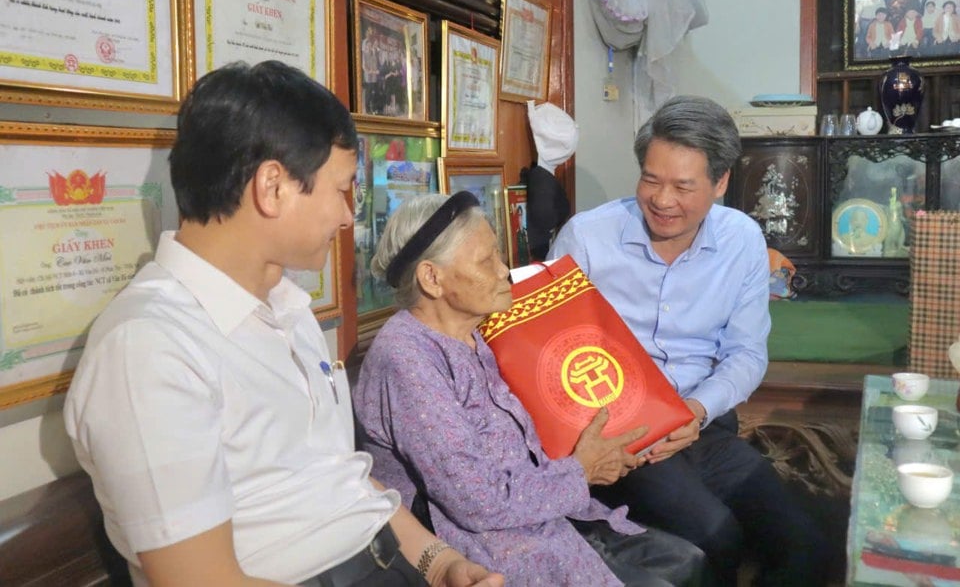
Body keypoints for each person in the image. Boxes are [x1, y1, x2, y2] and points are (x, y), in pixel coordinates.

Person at [63, 60, 503, 587]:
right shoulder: (149, 346)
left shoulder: (289, 311)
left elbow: (340, 484)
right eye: (340, 190)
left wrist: (442, 563)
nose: (347, 217)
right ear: (272, 187)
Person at [353, 192, 708, 586]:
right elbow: (476, 502)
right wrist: (582, 470)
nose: (505, 270)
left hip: (539, 517)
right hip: (484, 547)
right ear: (432, 278)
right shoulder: (406, 359)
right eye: (486, 260)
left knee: (691, 559)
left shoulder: (473, 335)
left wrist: (605, 450)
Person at [547, 95, 829, 586]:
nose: (662, 200)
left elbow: (746, 352)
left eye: (683, 185)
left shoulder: (741, 240)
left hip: (701, 419)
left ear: (720, 183)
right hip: (622, 433)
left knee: (804, 541)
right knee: (714, 535)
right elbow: (549, 355)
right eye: (650, 180)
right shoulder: (587, 239)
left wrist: (696, 411)